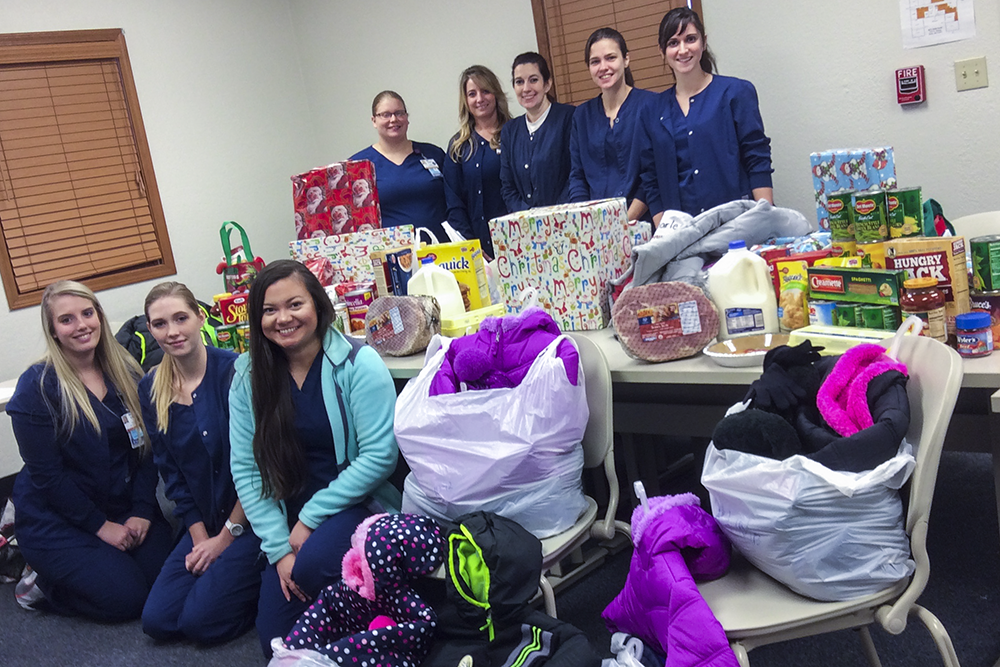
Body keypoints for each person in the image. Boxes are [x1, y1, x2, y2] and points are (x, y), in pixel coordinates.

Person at [229, 260, 401, 657]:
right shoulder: (247, 376)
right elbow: (247, 469)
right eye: (269, 310)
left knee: (310, 569)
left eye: (294, 305)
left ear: (318, 306)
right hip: (287, 518)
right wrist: (279, 550)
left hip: (357, 505)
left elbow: (380, 457)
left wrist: (309, 519)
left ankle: (373, 619)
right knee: (275, 641)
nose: (283, 318)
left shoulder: (360, 363)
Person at [6, 280, 171, 621]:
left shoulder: (124, 370)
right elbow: (48, 478)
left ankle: (101, 564)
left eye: (87, 313)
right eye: (66, 319)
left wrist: (142, 510)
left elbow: (145, 450)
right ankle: (41, 584)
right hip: (58, 518)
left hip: (122, 504)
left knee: (162, 583)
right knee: (126, 600)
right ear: (53, 330)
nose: (81, 325)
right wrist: (100, 526)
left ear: (99, 316)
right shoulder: (37, 387)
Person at [139, 282, 263, 644]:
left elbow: (261, 467)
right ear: (150, 329)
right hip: (204, 521)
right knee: (158, 621)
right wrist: (199, 536)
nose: (173, 331)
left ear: (200, 317)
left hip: (254, 518)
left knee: (200, 624)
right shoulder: (151, 389)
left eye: (181, 318)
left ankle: (253, 583)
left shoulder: (236, 371)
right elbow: (172, 476)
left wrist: (226, 537)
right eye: (160, 324)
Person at [636, 7, 773, 224]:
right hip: (683, 234)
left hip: (737, 223)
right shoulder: (652, 111)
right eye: (673, 43)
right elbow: (651, 179)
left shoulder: (735, 93)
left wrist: (765, 217)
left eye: (690, 39)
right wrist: (665, 234)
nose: (683, 50)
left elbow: (757, 157)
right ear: (661, 51)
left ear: (703, 42)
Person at [569, 28, 656, 221]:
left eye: (610, 58)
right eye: (595, 61)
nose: (603, 67)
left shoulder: (651, 105)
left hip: (642, 223)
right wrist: (583, 219)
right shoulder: (581, 115)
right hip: (595, 229)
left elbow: (653, 174)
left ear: (626, 60)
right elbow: (577, 175)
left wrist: (624, 221)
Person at [351, 91, 449, 241]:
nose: (393, 119)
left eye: (399, 113)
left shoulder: (433, 153)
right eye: (385, 114)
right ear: (374, 121)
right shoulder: (358, 167)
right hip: (391, 256)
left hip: (442, 250)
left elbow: (455, 201)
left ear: (407, 118)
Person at [443, 65, 512, 259]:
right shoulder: (458, 146)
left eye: (485, 91)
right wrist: (470, 246)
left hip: (514, 241)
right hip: (476, 249)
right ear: (466, 101)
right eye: (472, 94)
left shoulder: (514, 135)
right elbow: (454, 202)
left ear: (496, 94)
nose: (479, 99)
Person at [499, 52, 575, 213]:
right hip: (525, 227)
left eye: (533, 80)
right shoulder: (510, 131)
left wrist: (552, 216)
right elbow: (508, 187)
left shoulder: (569, 117)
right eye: (519, 82)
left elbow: (576, 175)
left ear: (547, 84)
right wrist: (529, 216)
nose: (526, 88)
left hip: (566, 220)